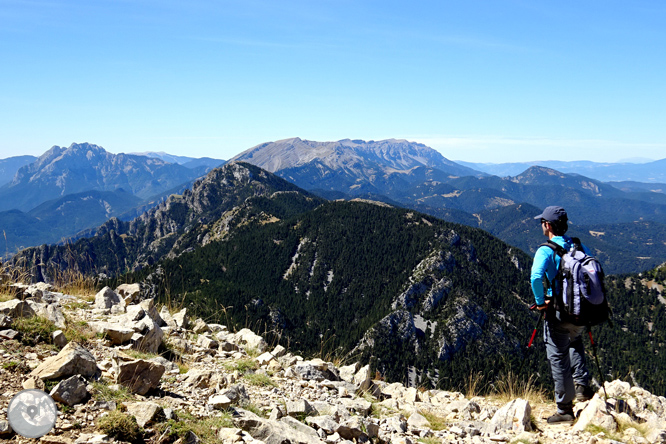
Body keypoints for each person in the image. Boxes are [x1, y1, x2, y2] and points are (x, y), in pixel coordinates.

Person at [530, 206, 594, 424]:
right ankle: (583, 387)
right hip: (580, 312)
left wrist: (540, 304)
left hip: (558, 313)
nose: (541, 225)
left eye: (542, 222)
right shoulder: (579, 245)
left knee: (558, 356)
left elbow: (536, 279)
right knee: (575, 342)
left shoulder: (546, 250)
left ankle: (565, 409)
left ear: (547, 225)